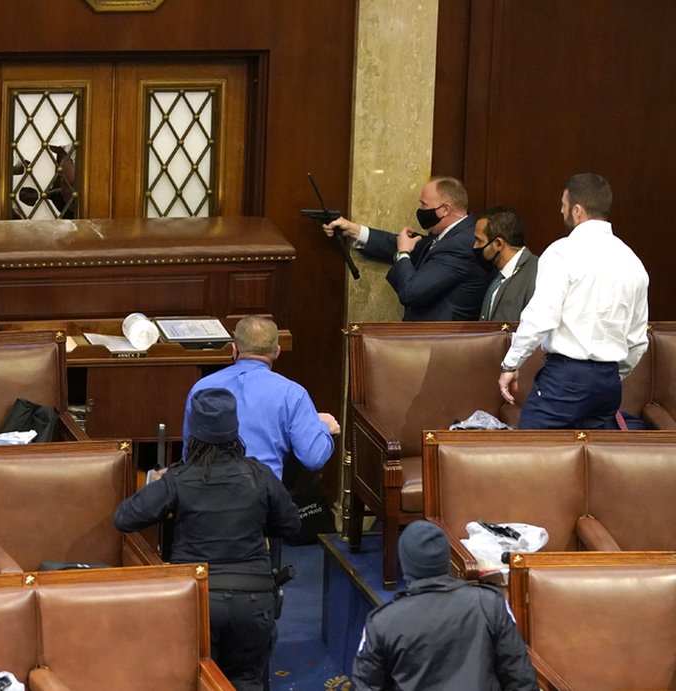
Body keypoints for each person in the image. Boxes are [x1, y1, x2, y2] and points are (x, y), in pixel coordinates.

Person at [115, 388, 301, 691]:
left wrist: (165, 493)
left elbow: (124, 518)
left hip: (197, 598)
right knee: (247, 681)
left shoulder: (178, 479)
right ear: (234, 430)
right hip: (252, 601)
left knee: (198, 681)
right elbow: (292, 525)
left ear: (194, 433)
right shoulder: (260, 476)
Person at [499, 173, 649, 429]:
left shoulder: (562, 253)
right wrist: (609, 375)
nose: (561, 210)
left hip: (566, 379)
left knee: (528, 458)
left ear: (577, 210)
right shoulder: (633, 262)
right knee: (593, 462)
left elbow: (540, 317)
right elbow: (637, 341)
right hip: (608, 384)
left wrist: (511, 364)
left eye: (564, 204)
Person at [351, 520, 539, 691]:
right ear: (446, 560)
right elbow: (520, 679)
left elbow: (365, 686)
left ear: (406, 564)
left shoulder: (382, 622)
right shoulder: (491, 604)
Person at [182, 315, 339, 481]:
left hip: (205, 497)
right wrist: (323, 427)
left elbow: (189, 455)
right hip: (263, 499)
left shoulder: (202, 388)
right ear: (277, 351)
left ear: (234, 349)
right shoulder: (292, 394)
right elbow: (313, 458)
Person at [324, 176, 491, 321]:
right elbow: (400, 243)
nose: (420, 211)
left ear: (445, 210)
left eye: (424, 205)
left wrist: (403, 254)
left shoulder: (460, 244)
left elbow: (411, 292)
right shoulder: (451, 235)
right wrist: (354, 230)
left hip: (439, 345)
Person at [473, 206, 539, 322]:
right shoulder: (496, 273)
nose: (475, 246)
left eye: (479, 241)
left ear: (498, 244)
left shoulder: (537, 274)